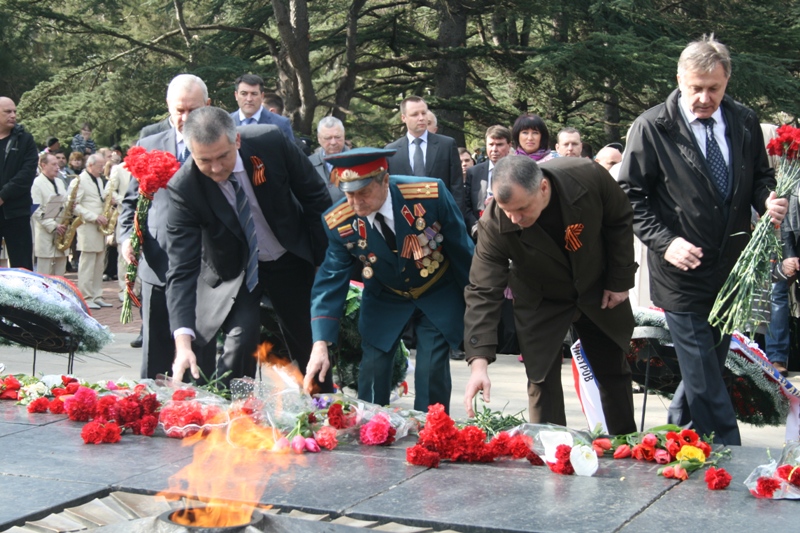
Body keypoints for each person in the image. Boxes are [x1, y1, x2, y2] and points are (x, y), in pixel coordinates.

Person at [618, 35, 786, 445]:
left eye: (714, 88)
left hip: (731, 269)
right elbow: (629, 195)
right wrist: (665, 241)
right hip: (680, 268)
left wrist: (768, 200)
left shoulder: (744, 121)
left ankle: (678, 432)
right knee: (701, 365)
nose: (704, 98)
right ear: (679, 78)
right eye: (696, 88)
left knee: (707, 361)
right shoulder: (652, 126)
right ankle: (727, 446)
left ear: (727, 81)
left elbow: (760, 178)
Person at [463, 155, 638, 434]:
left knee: (613, 372)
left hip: (596, 283)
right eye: (508, 210)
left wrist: (620, 280)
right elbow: (483, 290)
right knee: (541, 381)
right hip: (539, 295)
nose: (515, 219)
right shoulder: (495, 222)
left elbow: (619, 218)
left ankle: (625, 444)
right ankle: (552, 451)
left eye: (522, 208)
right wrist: (478, 363)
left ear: (543, 188)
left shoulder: (586, 176)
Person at [166, 106, 331, 387]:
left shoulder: (271, 142)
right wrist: (183, 344)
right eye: (205, 160)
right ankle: (236, 416)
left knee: (308, 340)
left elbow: (316, 199)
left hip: (287, 255)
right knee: (240, 341)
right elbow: (181, 268)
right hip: (235, 270)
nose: (216, 168)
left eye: (223, 156)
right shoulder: (184, 188)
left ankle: (324, 407)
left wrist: (322, 264)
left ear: (237, 141)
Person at [304, 148, 474, 412]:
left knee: (431, 369)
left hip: (435, 289)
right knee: (373, 367)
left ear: (384, 180)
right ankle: (372, 431)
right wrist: (320, 342)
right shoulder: (339, 221)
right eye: (349, 194)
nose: (356, 203)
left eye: (363, 193)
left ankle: (432, 434)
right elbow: (330, 280)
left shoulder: (430, 195)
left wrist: (476, 305)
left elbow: (462, 250)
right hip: (385, 295)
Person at [120, 74, 213, 379]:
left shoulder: (222, 143)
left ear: (208, 106)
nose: (185, 118)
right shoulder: (148, 145)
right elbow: (130, 202)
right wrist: (125, 238)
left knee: (202, 352)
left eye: (193, 110)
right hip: (156, 261)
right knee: (156, 349)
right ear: (168, 108)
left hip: (206, 263)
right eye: (179, 110)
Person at [385, 96, 464, 214]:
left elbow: (456, 186)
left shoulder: (446, 145)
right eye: (415, 114)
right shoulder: (392, 151)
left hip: (442, 216)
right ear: (403, 118)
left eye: (424, 113)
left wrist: (456, 218)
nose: (421, 118)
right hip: (405, 218)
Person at [0, 96, 37, 270]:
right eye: (7, 112)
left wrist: (3, 195)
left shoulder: (25, 140)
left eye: (14, 111)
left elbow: (26, 174)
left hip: (17, 212)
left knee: (22, 267)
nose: (13, 115)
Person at [71, 153, 110, 309]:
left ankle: (97, 294)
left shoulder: (99, 180)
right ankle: (86, 296)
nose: (102, 169)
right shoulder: (79, 180)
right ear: (90, 165)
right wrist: (94, 216)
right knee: (87, 262)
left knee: (99, 262)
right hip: (88, 226)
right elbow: (74, 205)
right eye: (100, 166)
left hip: (100, 226)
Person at [464, 125, 512, 240]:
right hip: (480, 235)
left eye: (499, 144)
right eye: (491, 144)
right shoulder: (473, 172)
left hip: (510, 233)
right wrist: (475, 228)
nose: (494, 149)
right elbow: (466, 205)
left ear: (509, 146)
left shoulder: (517, 171)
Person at [30, 153, 68, 276]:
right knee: (44, 275)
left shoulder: (60, 182)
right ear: (43, 165)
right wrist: (53, 226)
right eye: (53, 164)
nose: (57, 167)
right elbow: (35, 210)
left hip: (62, 233)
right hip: (46, 234)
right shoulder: (36, 183)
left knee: (60, 276)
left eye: (57, 164)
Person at [230, 74, 295, 140]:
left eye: (254, 94)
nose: (249, 99)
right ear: (236, 95)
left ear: (262, 96)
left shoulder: (280, 123)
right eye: (244, 94)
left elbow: (289, 150)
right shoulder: (224, 123)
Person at [308, 116, 348, 203]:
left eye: (337, 137)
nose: (333, 142)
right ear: (319, 138)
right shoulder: (308, 164)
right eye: (328, 138)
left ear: (344, 135)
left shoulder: (357, 161)